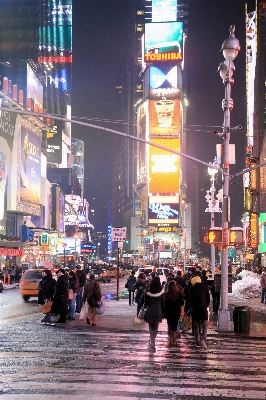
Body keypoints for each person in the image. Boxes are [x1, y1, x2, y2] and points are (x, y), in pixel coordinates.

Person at [144, 276, 165, 352]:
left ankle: (151, 339)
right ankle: (153, 340)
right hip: (158, 311)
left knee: (151, 326)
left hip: (150, 310)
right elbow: (163, 303)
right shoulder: (161, 292)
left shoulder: (148, 291)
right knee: (155, 327)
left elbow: (145, 303)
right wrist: (163, 312)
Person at [189, 276, 210, 350]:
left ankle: (197, 341)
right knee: (205, 326)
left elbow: (190, 300)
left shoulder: (192, 289)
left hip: (195, 310)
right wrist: (205, 305)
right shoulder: (205, 288)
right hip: (203, 310)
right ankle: (203, 339)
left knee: (196, 326)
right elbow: (208, 299)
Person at [164, 280, 184, 347]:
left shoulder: (166, 294)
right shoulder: (178, 294)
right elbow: (182, 303)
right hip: (176, 312)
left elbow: (164, 303)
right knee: (175, 326)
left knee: (169, 325)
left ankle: (170, 339)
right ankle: (174, 341)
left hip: (168, 312)